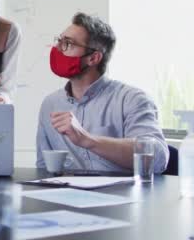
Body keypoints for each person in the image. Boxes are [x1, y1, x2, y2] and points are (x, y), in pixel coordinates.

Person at [36, 13, 169, 173]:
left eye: (68, 44)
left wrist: (88, 140)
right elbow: (43, 167)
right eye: (59, 41)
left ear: (93, 58)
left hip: (121, 196)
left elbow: (158, 159)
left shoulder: (132, 99)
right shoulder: (50, 104)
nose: (57, 49)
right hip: (66, 195)